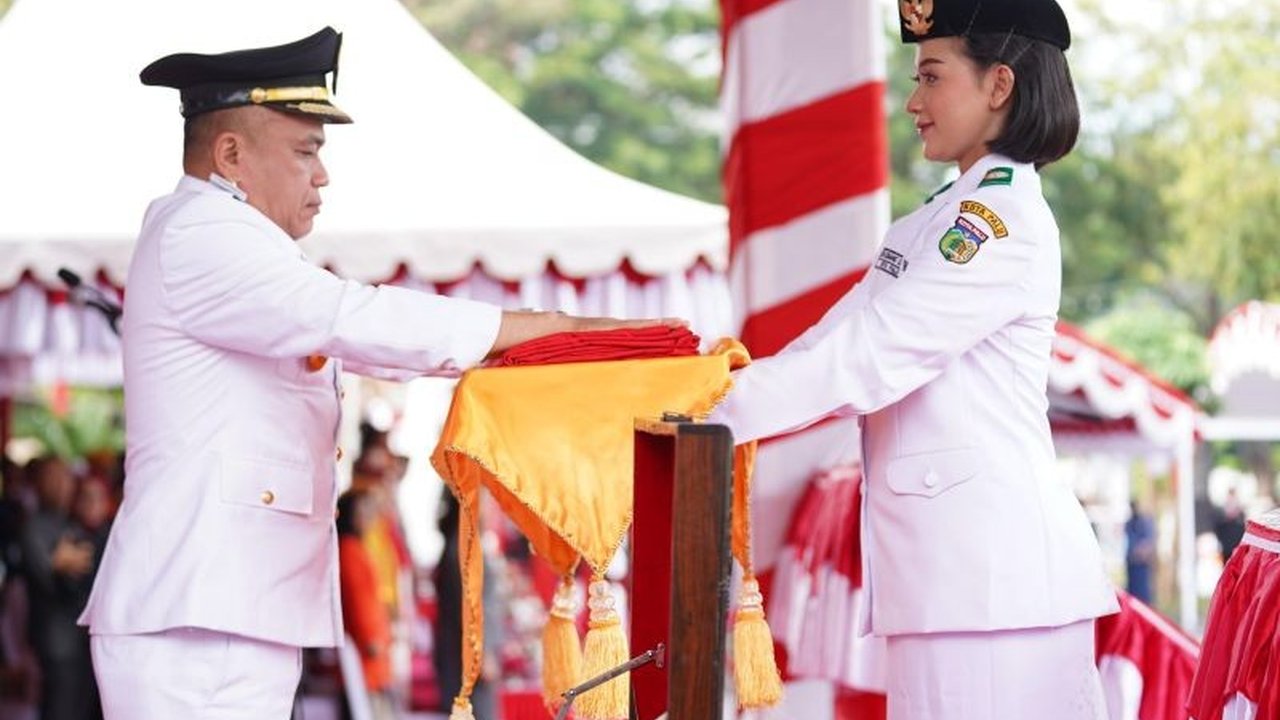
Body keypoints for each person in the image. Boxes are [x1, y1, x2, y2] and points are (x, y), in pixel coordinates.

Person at [77, 27, 678, 719]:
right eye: (305, 151)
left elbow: (376, 345)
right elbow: (355, 319)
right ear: (232, 154)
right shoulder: (201, 232)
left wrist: (532, 348)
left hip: (225, 605)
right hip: (198, 611)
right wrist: (548, 326)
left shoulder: (234, 242)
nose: (322, 174)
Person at [709, 1, 1117, 717]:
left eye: (931, 76)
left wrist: (707, 414)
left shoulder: (999, 224)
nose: (913, 102)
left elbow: (869, 358)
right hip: (959, 588)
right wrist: (714, 387)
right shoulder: (935, 218)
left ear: (999, 86)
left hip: (995, 592)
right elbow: (831, 341)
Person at [19, 458, 100, 720]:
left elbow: (86, 567)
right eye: (54, 478)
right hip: (55, 641)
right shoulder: (34, 526)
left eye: (65, 478)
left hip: (81, 638)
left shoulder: (71, 524)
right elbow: (47, 572)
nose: (62, 485)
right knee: (60, 709)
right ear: (40, 484)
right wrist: (60, 563)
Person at [336, 490, 396, 720]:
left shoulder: (355, 548)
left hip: (372, 650)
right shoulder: (350, 550)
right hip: (367, 653)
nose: (370, 518)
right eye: (364, 512)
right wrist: (371, 639)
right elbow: (358, 599)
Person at [1124, 500, 1156, 604]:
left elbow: (1148, 544)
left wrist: (1142, 552)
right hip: (1132, 564)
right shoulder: (1130, 523)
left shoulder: (1144, 523)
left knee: (1143, 596)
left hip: (1141, 565)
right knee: (1134, 595)